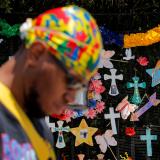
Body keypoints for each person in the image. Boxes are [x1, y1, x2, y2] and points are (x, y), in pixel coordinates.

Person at [0, 5, 102, 160]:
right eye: (71, 80)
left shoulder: (42, 129)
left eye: (80, 86)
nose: (71, 98)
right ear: (36, 53)